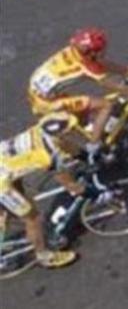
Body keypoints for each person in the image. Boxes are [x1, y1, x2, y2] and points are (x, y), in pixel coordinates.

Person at [26, 28, 128, 144]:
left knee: (81, 111)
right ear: (91, 53)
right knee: (106, 105)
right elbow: (113, 85)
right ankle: (94, 146)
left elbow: (101, 64)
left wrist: (126, 70)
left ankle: (88, 130)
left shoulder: (74, 50)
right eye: (101, 50)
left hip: (36, 92)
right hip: (50, 104)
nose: (104, 52)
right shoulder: (86, 66)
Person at [0, 113, 89, 269]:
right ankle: (44, 256)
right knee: (32, 217)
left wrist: (85, 156)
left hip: (6, 166)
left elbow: (66, 145)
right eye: (70, 129)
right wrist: (89, 191)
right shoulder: (47, 154)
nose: (74, 129)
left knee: (16, 206)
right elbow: (70, 184)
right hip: (2, 183)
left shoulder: (41, 130)